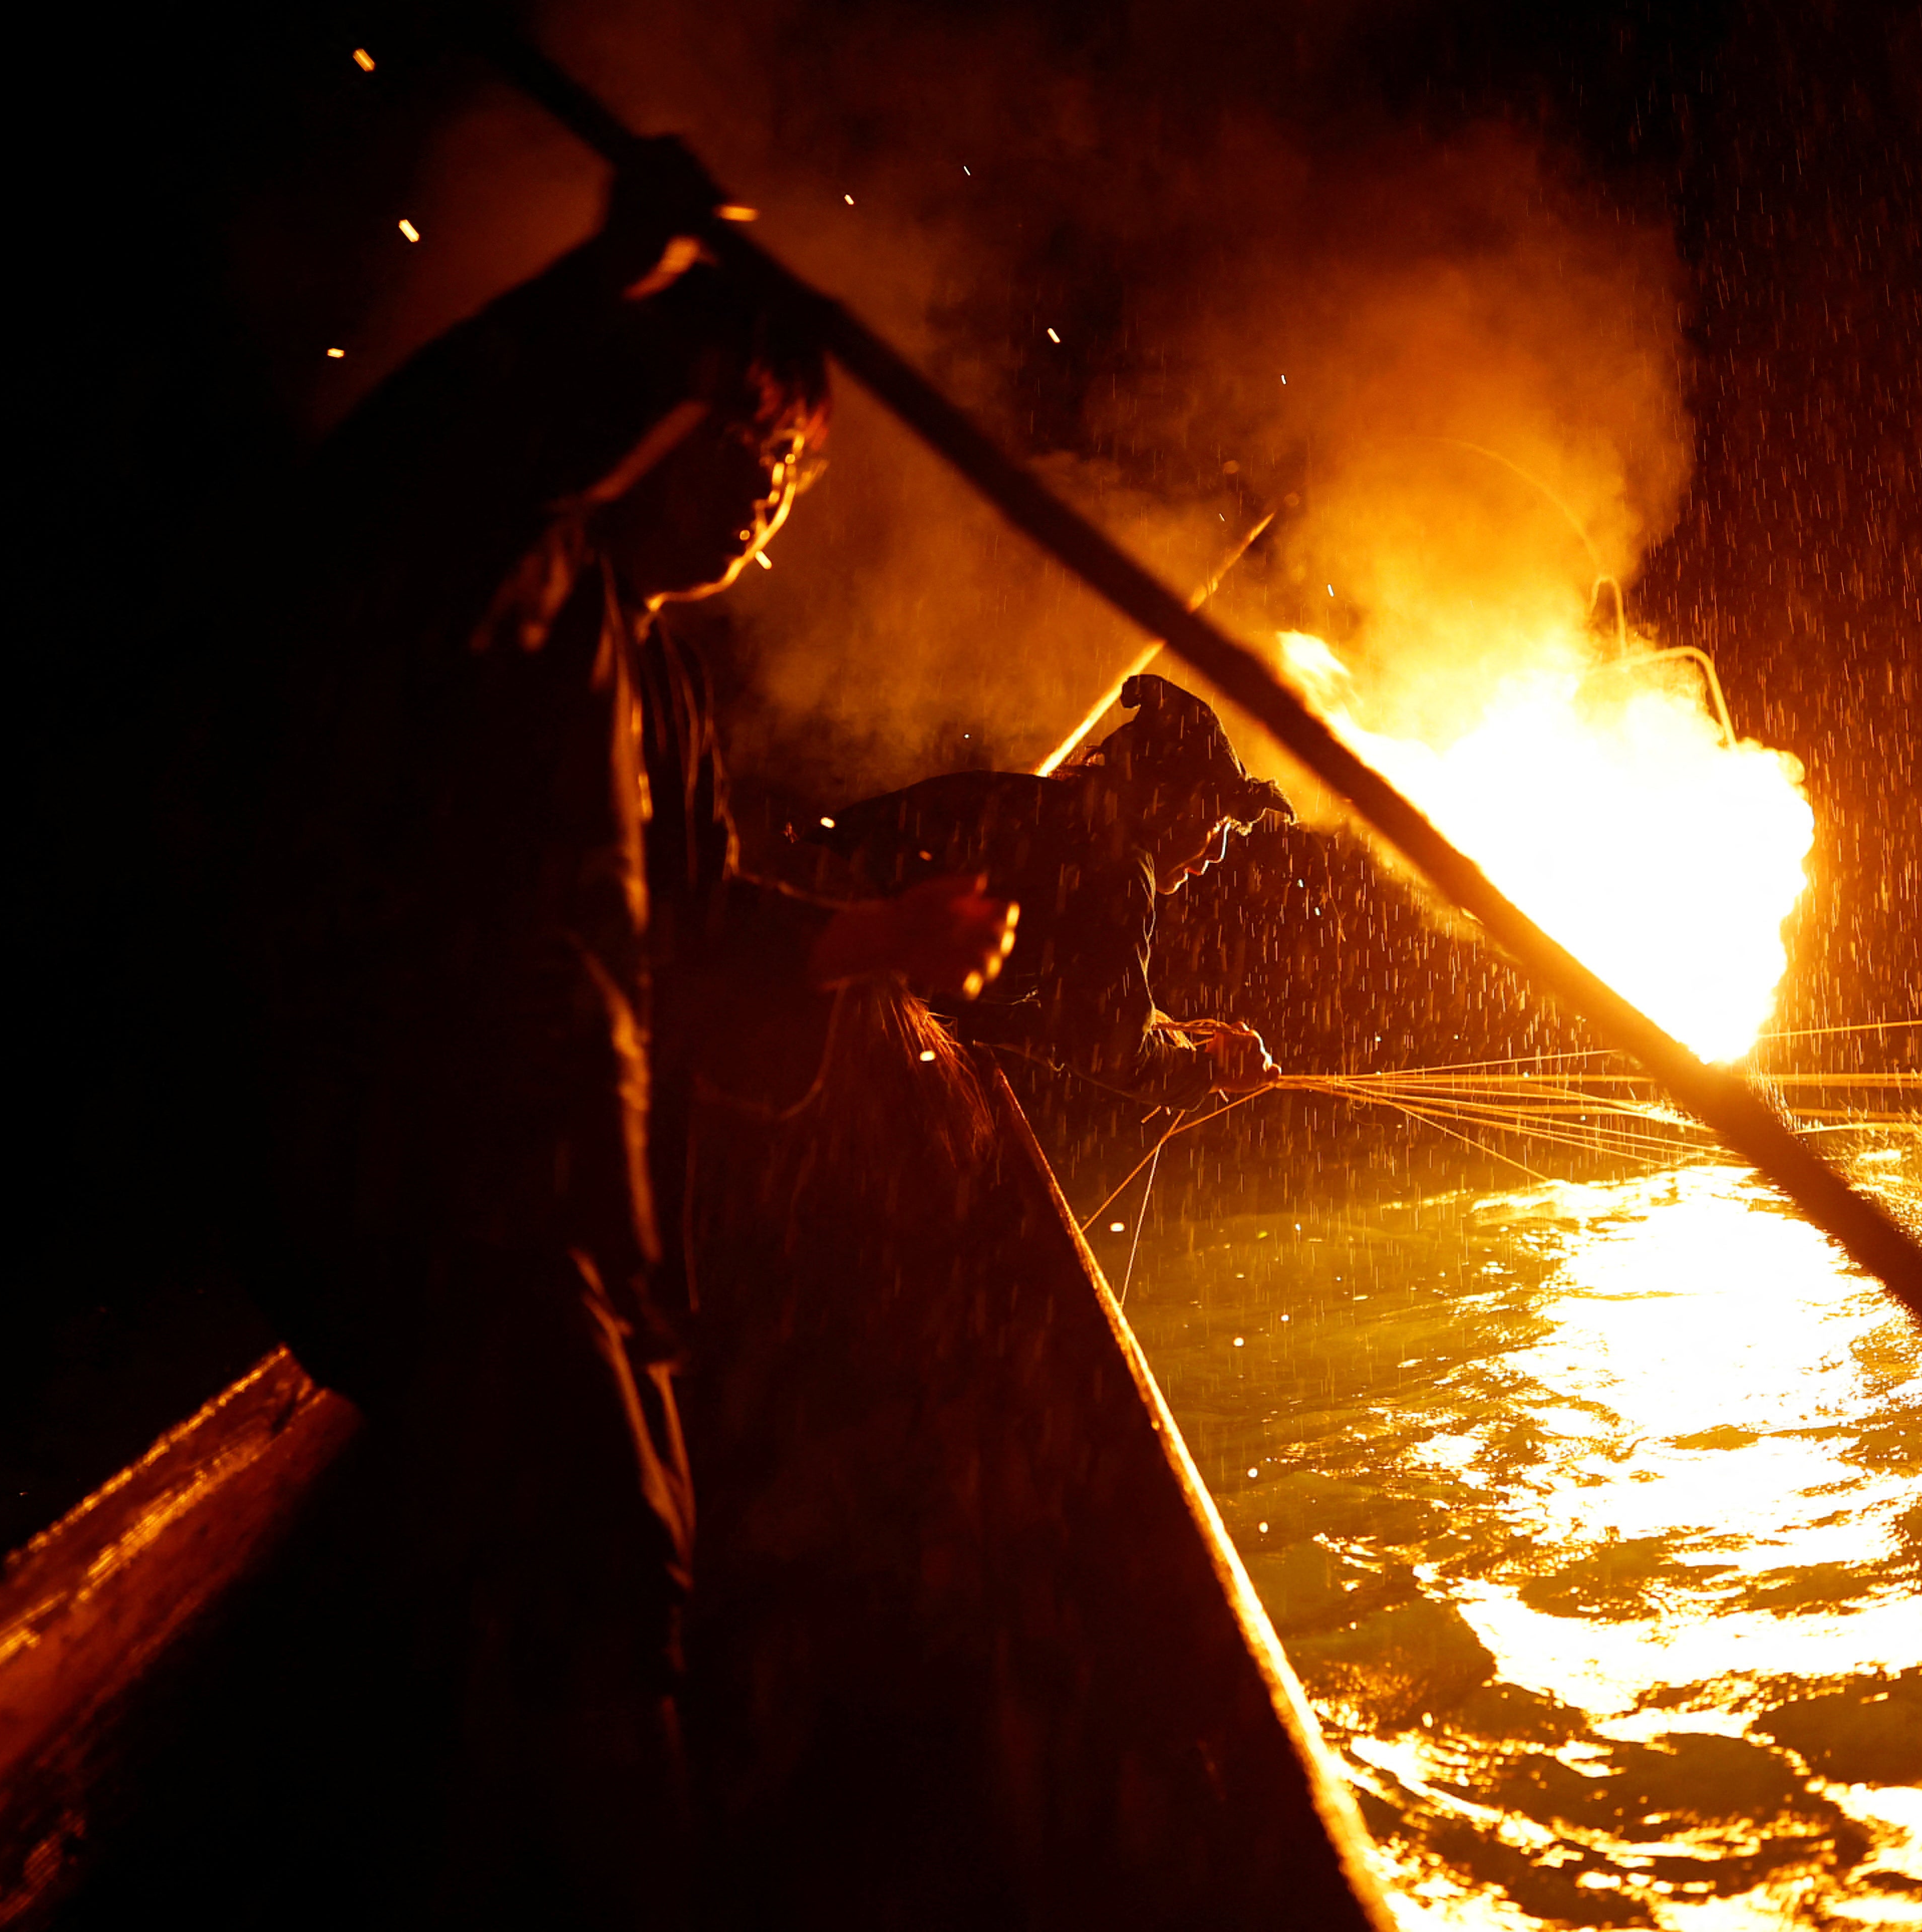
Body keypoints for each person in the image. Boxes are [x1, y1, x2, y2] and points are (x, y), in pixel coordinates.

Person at [244, 137, 1012, 1926]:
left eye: (793, 482)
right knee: (604, 1589)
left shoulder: (649, 676)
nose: (767, 505)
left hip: (578, 1204)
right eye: (751, 448)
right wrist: (617, 286)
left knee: (589, 1586)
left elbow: (696, 928)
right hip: (466, 1187)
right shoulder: (508, 579)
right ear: (644, 422)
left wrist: (871, 937)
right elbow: (419, 491)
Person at [810, 675, 1291, 1109]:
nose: (1218, 853)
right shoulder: (1118, 870)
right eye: (1216, 821)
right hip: (815, 964)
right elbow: (1113, 1055)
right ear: (1167, 804)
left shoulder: (1065, 818)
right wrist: (1210, 1071)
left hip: (815, 942)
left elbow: (1016, 1018)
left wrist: (1162, 1040)